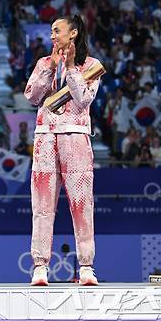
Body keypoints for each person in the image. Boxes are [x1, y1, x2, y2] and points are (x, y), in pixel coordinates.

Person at [24, 15, 100, 286]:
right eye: (52, 31)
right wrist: (51, 68)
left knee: (81, 204)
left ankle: (87, 266)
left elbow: (84, 99)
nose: (53, 36)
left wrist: (69, 68)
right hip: (45, 139)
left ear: (74, 33)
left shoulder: (91, 66)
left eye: (57, 31)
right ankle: (40, 266)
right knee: (42, 206)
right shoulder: (44, 62)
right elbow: (32, 96)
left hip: (76, 138)